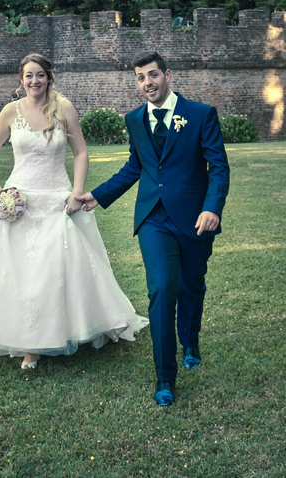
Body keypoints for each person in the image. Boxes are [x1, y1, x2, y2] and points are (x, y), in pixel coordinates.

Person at [0, 53, 145, 370]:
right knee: (21, 272)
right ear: (21, 80)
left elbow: (80, 152)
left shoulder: (63, 108)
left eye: (40, 75)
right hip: (20, 201)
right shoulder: (10, 112)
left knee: (52, 270)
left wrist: (77, 193)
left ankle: (46, 340)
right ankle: (26, 338)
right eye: (29, 76)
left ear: (48, 77)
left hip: (57, 200)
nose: (34, 81)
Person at [75, 52, 230, 406]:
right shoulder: (134, 119)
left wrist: (212, 208)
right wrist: (98, 196)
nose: (148, 83)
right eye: (141, 78)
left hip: (194, 218)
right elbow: (135, 166)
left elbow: (219, 168)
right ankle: (164, 378)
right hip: (152, 219)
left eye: (153, 75)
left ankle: (190, 340)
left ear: (168, 75)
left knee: (192, 285)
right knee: (162, 289)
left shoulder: (200, 115)